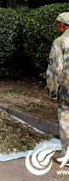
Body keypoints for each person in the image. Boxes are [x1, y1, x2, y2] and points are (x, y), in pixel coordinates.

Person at [46, 12, 69, 164]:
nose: (56, 27)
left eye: (57, 24)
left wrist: (53, 91)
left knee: (66, 118)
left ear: (63, 25)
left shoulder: (60, 42)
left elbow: (55, 70)